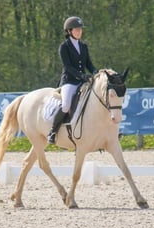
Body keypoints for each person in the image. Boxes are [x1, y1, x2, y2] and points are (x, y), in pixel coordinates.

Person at [47, 16, 98, 144]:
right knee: (65, 105)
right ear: (69, 31)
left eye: (80, 29)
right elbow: (68, 67)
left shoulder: (83, 46)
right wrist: (81, 76)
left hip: (82, 81)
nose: (79, 32)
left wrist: (96, 72)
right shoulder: (64, 46)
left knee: (97, 98)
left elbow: (88, 64)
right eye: (76, 30)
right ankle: (53, 131)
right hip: (69, 81)